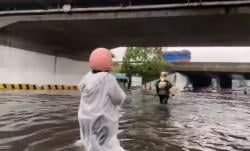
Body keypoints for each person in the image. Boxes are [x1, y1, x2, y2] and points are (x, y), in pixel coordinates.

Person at [78, 48, 126, 151]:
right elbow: (119, 99)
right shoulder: (108, 79)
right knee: (108, 146)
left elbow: (81, 88)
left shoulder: (86, 77)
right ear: (107, 62)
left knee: (89, 144)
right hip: (102, 121)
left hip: (85, 120)